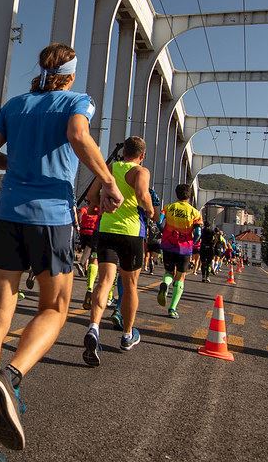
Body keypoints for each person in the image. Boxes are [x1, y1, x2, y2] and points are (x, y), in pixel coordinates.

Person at [0, 43, 122, 462]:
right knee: (54, 309)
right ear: (71, 73)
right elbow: (79, 135)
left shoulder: (15, 103)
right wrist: (106, 181)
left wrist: (19, 164)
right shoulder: (75, 101)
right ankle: (11, 377)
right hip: (51, 217)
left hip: (7, 214)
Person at [82, 136, 155, 365]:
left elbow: (91, 196)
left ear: (124, 152)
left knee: (104, 282)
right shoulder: (141, 172)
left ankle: (94, 327)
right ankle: (127, 335)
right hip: (132, 234)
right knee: (130, 285)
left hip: (107, 230)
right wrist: (151, 211)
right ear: (141, 156)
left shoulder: (110, 167)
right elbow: (143, 195)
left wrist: (100, 207)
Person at [156, 183, 202, 319]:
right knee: (181, 276)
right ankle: (172, 308)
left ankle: (165, 284)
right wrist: (192, 243)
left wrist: (164, 232)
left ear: (177, 194)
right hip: (184, 248)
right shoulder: (195, 212)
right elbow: (198, 232)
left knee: (169, 272)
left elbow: (159, 222)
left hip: (168, 245)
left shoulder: (168, 208)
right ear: (189, 196)